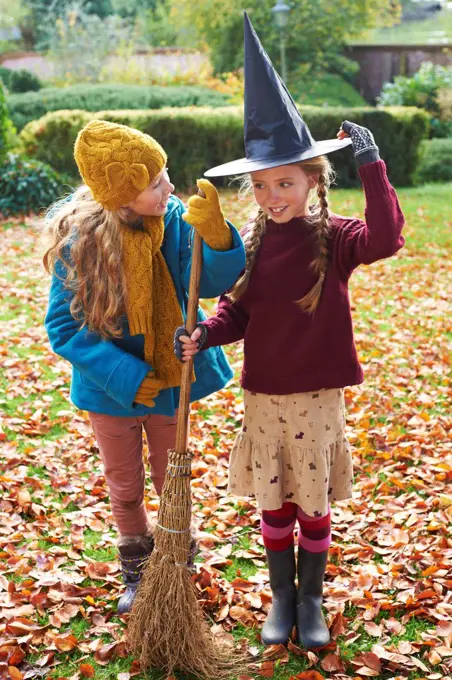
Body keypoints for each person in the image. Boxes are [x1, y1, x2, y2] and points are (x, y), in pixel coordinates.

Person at [174, 14, 405, 650]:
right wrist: (202, 335)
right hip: (265, 395)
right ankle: (280, 595)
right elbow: (237, 314)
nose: (273, 194)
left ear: (311, 180)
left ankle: (310, 599)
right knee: (274, 499)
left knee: (312, 499)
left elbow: (387, 238)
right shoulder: (251, 246)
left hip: (317, 396)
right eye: (262, 185)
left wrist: (373, 166)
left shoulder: (335, 238)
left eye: (285, 182)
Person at [43, 119, 245, 613]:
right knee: (126, 485)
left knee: (171, 479)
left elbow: (210, 282)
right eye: (156, 182)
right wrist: (129, 378)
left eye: (167, 174)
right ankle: (136, 570)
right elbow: (64, 329)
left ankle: (176, 565)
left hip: (170, 381)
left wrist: (217, 238)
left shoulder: (175, 223)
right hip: (110, 390)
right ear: (125, 192)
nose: (170, 187)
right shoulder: (81, 246)